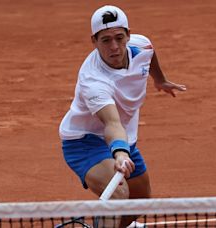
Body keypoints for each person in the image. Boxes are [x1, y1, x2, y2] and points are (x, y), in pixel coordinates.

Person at [59, 5, 186, 227]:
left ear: (129, 35)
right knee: (118, 194)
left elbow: (150, 52)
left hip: (124, 139)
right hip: (84, 141)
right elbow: (112, 122)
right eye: (105, 40)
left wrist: (160, 79)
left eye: (119, 37)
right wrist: (119, 152)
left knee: (140, 199)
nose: (114, 47)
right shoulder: (93, 80)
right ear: (94, 41)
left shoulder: (140, 44)